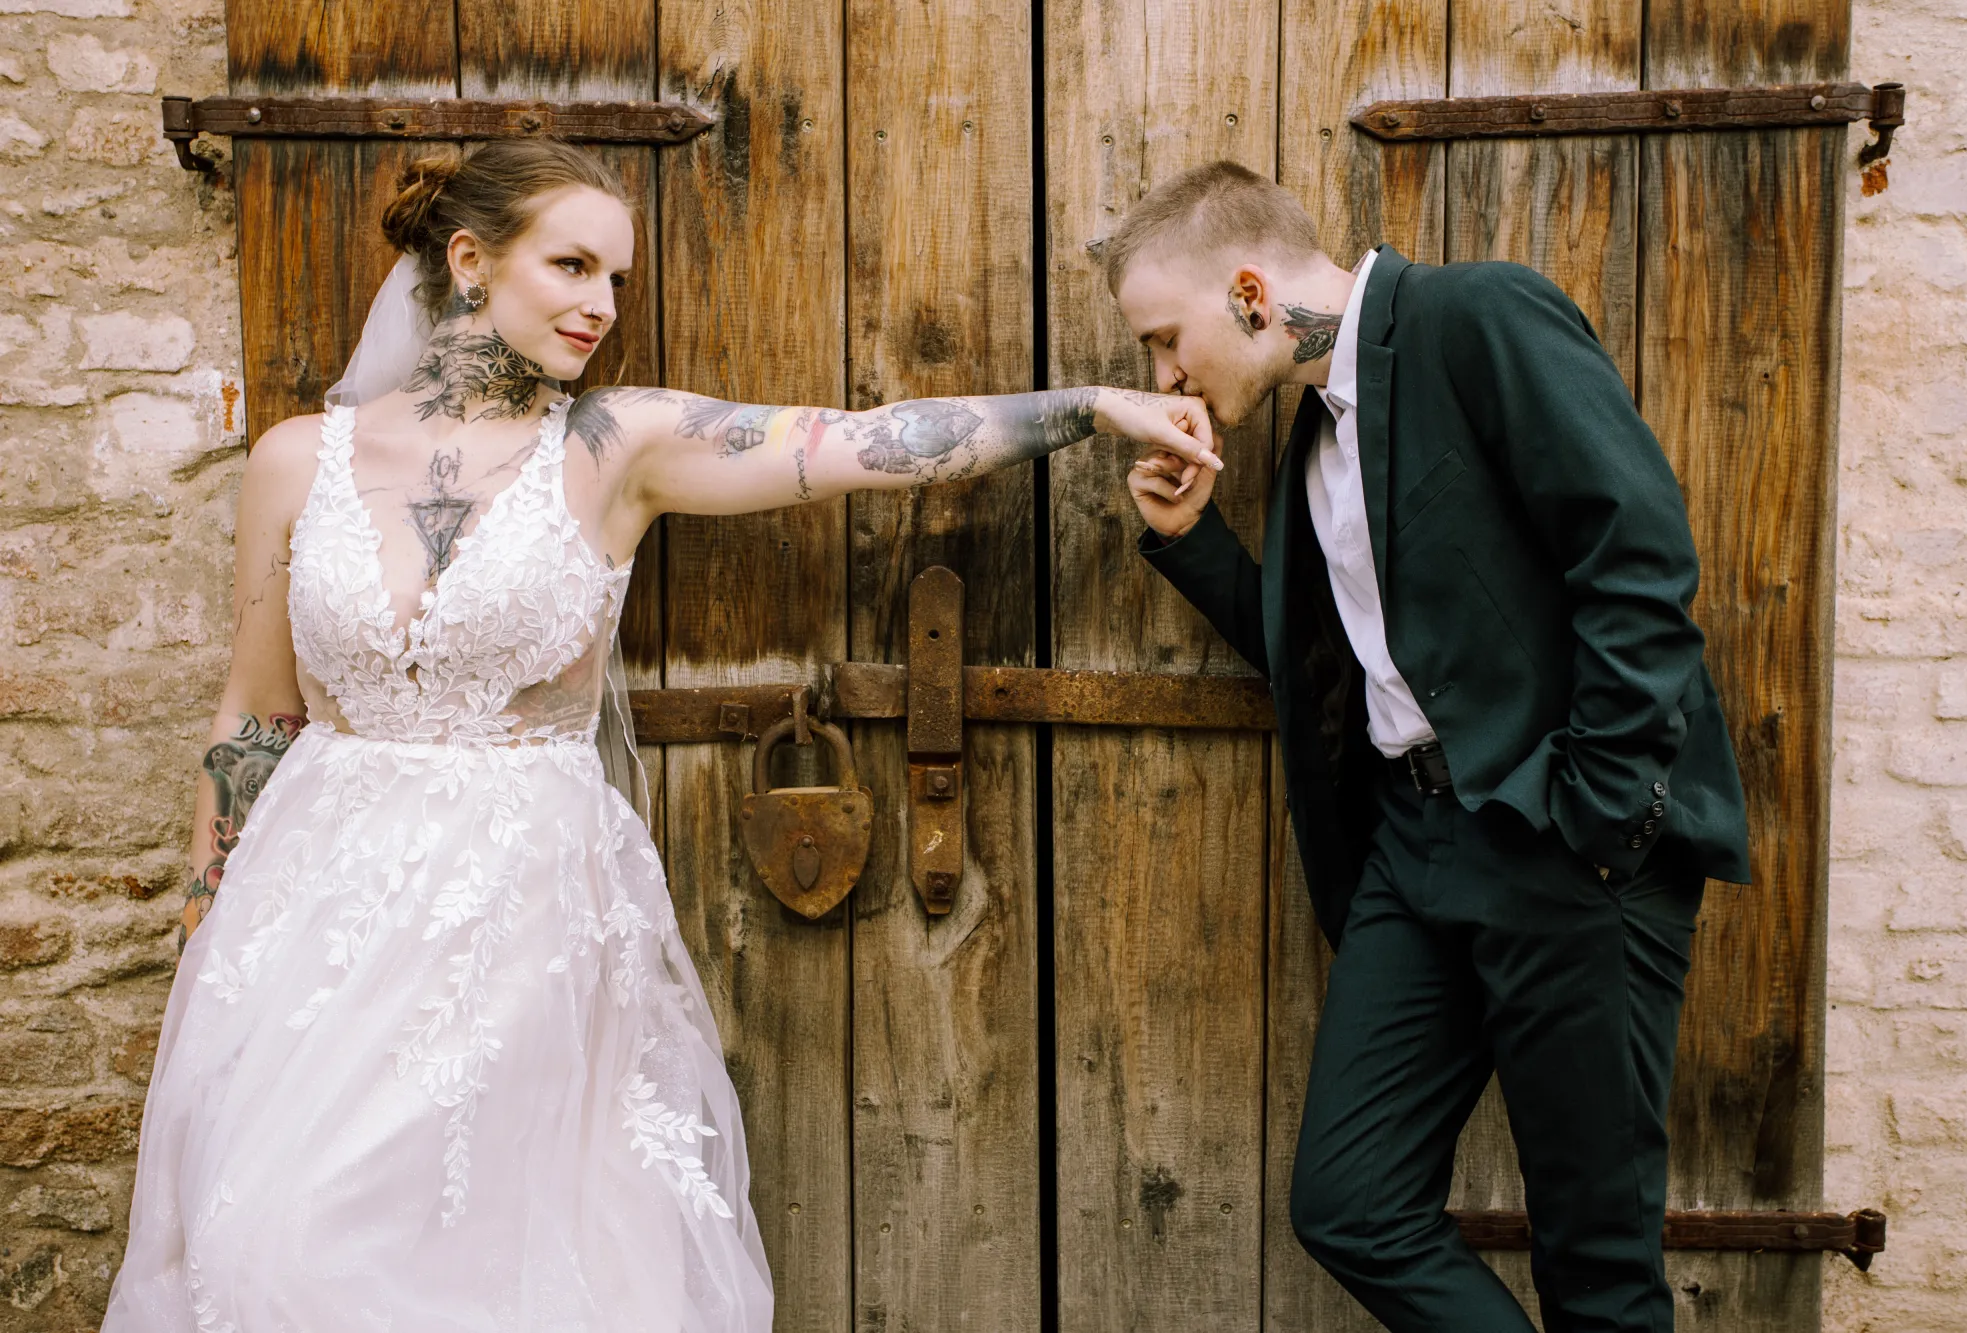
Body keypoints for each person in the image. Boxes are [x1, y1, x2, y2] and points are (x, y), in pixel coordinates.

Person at [103, 137, 1218, 1332]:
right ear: (470, 261)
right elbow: (255, 713)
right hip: (313, 920)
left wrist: (1086, 408)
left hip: (520, 920)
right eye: (572, 266)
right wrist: (208, 928)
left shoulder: (614, 447)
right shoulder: (294, 461)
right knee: (277, 1252)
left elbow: (866, 441)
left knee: (499, 1264)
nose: (602, 304)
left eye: (617, 279)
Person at [1115, 161, 1751, 1331]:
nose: (1162, 379)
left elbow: (1638, 559)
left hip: (1565, 843)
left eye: (1164, 340)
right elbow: (1328, 669)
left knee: (1596, 1269)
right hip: (1414, 853)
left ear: (1248, 293)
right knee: (1349, 1205)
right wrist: (1189, 538)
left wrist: (1597, 813)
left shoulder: (1476, 316)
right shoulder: (1317, 437)